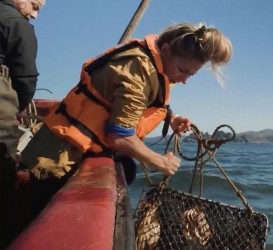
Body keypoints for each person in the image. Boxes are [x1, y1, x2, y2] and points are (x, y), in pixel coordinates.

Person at [19, 22, 232, 203]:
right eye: (183, 71)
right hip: (54, 158)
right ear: (166, 50)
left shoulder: (157, 64)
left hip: (82, 148)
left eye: (191, 75)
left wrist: (172, 118)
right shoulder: (137, 69)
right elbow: (120, 136)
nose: (184, 80)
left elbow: (151, 98)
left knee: (127, 169)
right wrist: (160, 161)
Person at [0, 0, 45, 247]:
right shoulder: (17, 24)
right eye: (35, 6)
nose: (35, 16)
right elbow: (26, 79)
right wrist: (14, 109)